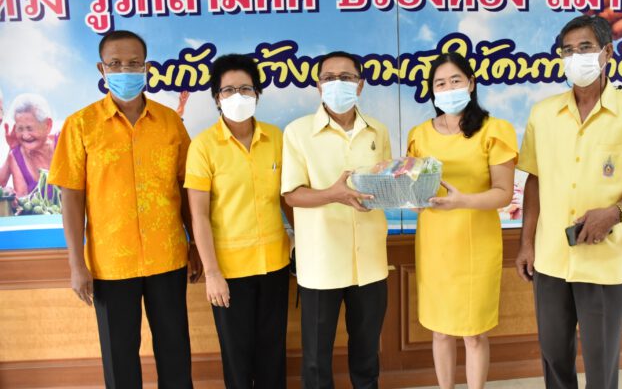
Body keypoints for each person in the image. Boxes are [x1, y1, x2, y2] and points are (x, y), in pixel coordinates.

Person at [515, 15, 622, 389]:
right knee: (553, 356)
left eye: (585, 48)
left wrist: (614, 214)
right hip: (550, 259)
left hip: (604, 260)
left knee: (600, 363)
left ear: (607, 52)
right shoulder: (543, 114)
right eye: (567, 51)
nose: (575, 57)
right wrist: (527, 243)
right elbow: (534, 180)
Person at [48, 30, 202, 389]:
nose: (125, 70)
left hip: (167, 257)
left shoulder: (170, 122)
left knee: (175, 351)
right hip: (110, 264)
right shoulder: (80, 125)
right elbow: (71, 198)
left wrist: (194, 243)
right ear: (101, 69)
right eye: (115, 63)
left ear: (146, 67)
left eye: (133, 63)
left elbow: (186, 188)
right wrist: (76, 264)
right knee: (119, 358)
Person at [281, 51, 392, 389]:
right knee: (316, 360)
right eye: (329, 78)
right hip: (321, 263)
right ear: (318, 86)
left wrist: (406, 191)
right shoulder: (298, 132)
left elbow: (386, 184)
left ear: (360, 84)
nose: (337, 84)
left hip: (370, 262)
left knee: (367, 355)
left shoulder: (378, 131)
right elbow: (291, 195)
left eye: (346, 77)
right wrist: (333, 194)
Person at [406, 52, 517, 389]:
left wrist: (463, 201)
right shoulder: (419, 135)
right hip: (434, 245)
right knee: (440, 330)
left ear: (471, 83)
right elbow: (413, 188)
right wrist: (410, 199)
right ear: (432, 91)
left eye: (455, 80)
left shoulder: (494, 130)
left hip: (475, 244)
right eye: (440, 83)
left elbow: (503, 193)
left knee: (473, 333)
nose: (448, 88)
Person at [185, 53, 290, 388]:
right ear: (217, 97)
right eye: (228, 90)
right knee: (237, 359)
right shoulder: (203, 146)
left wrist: (299, 241)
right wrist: (212, 273)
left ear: (257, 93)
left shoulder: (276, 138)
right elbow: (199, 215)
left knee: (273, 355)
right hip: (229, 272)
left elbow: (288, 197)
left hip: (275, 264)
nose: (238, 96)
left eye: (246, 88)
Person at [2, 94, 56, 197]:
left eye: (30, 128)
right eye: (20, 128)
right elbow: (22, 198)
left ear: (48, 125)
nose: (25, 135)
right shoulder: (16, 156)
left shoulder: (62, 142)